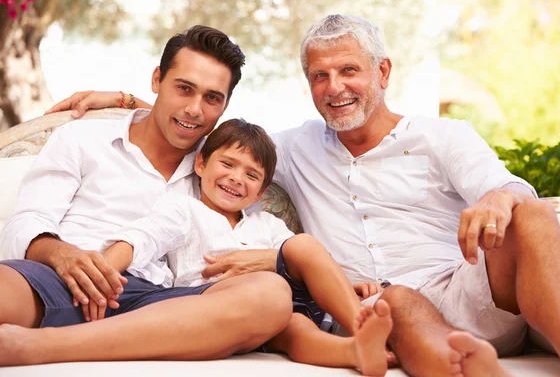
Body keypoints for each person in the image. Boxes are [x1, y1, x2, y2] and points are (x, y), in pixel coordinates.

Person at [36, 15, 560, 377]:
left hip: (471, 283)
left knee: (535, 211)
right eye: (319, 76)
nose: (334, 89)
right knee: (398, 302)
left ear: (381, 71)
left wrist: (499, 200)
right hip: (386, 305)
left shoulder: (441, 135)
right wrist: (129, 99)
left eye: (348, 70)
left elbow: (504, 188)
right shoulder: (296, 148)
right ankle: (465, 369)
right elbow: (208, 136)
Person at [0, 25, 295, 365]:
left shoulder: (219, 166)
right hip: (66, 280)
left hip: (165, 306)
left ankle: (42, 346)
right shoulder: (81, 139)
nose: (195, 109)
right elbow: (27, 222)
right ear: (157, 80)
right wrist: (61, 254)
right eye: (183, 88)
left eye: (212, 98)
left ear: (225, 105)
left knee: (270, 297)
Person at [101, 118, 393, 376]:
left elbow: (306, 263)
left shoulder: (266, 223)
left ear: (261, 191)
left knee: (295, 325)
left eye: (251, 175)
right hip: (216, 310)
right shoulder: (184, 210)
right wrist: (102, 276)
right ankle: (361, 329)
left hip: (276, 314)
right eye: (227, 164)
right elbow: (141, 238)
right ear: (200, 164)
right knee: (299, 257)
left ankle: (357, 347)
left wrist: (344, 284)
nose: (236, 178)